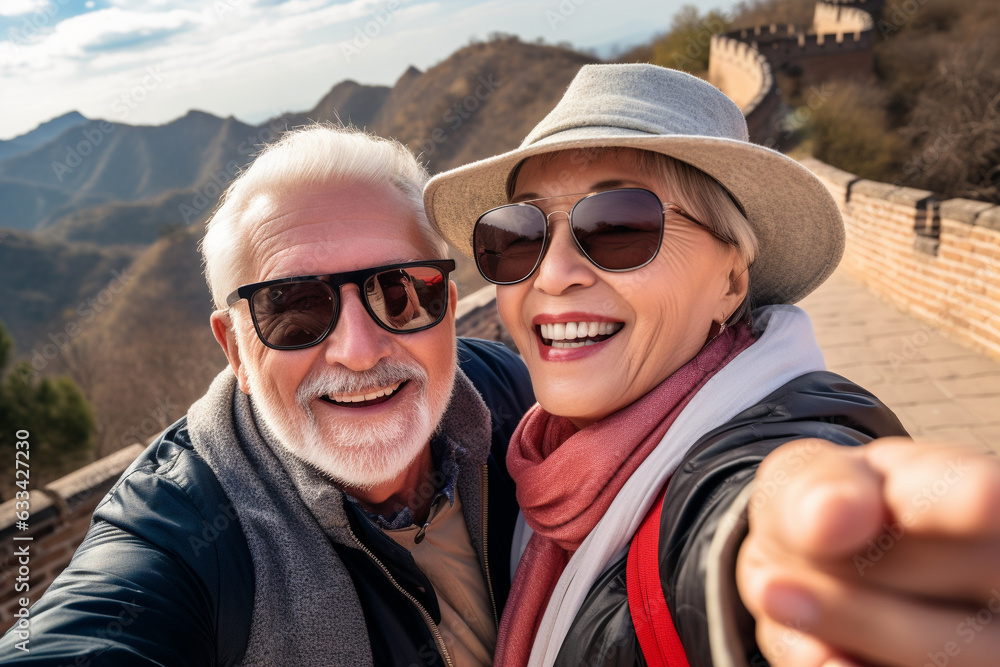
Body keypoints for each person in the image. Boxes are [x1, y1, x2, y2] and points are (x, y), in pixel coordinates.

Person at [423, 64, 1000, 667]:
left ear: (730, 279)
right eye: (519, 233)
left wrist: (788, 550)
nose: (553, 272)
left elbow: (751, 500)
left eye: (618, 225)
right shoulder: (540, 466)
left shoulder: (774, 439)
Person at [0, 126, 534, 666]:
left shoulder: (508, 390)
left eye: (400, 292)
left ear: (446, 306)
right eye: (293, 308)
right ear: (236, 351)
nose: (359, 351)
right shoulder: (184, 531)